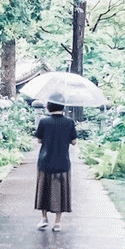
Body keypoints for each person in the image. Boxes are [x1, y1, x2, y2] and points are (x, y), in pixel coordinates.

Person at [34, 99, 78, 232]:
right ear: (63, 106)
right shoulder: (69, 122)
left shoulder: (43, 121)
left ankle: (43, 218)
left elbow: (39, 140)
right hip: (62, 161)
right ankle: (57, 223)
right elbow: (74, 141)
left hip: (45, 160)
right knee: (61, 192)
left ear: (49, 106)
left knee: (43, 189)